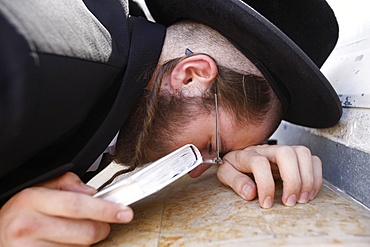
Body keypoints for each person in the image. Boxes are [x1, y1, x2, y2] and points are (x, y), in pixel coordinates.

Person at [0, 0, 342, 246]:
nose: (195, 171)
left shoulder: (118, 62)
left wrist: (229, 158)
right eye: (210, 146)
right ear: (191, 76)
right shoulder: (33, 64)